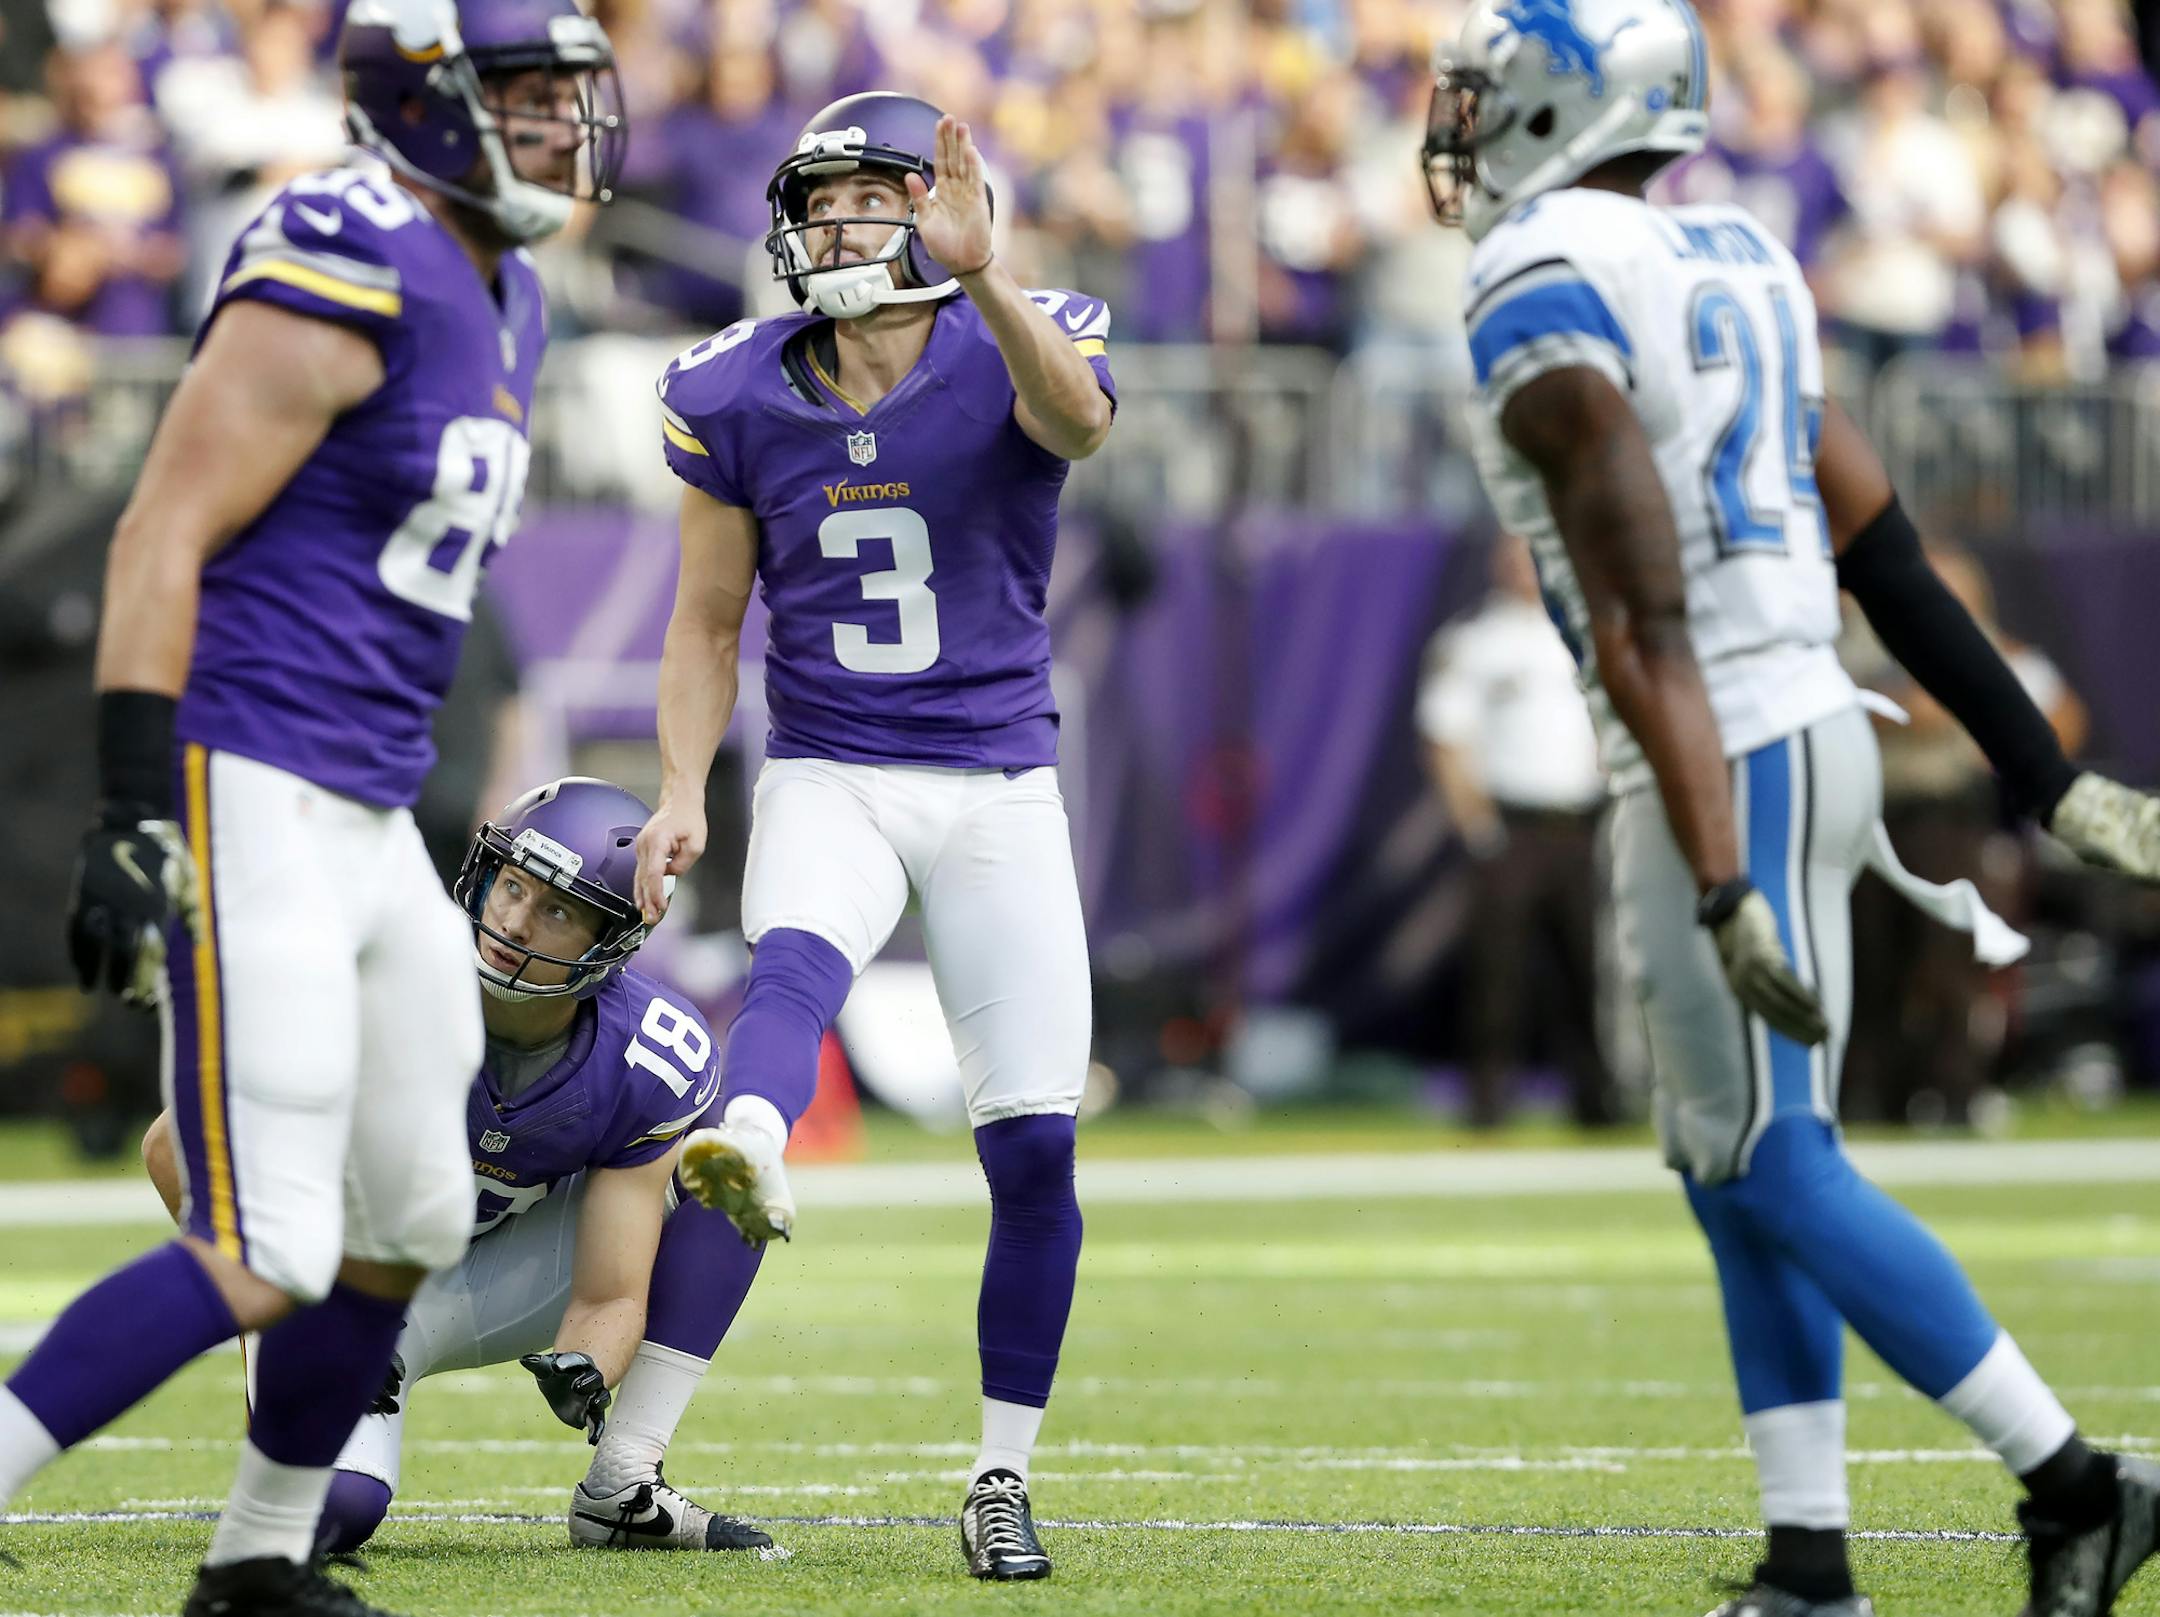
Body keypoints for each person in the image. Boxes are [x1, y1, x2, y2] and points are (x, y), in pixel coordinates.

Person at [1423, 4, 2160, 1615]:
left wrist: (1708, 866)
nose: (1462, 128)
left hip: (1723, 746)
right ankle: (1812, 1558)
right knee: (1737, 1158)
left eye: (1486, 95)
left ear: (1566, 102)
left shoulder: (1541, 273)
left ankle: (2081, 1485)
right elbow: (1882, 552)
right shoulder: (1738, 255)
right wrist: (2046, 774)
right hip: (1801, 728)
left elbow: (1640, 615)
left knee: (1773, 1161)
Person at [4, 3, 623, 1614]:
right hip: (247, 777)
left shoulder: (515, 294)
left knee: (407, 1218)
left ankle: (259, 1560)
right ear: (424, 102)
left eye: (571, 97)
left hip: (364, 802)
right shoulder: (344, 238)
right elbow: (161, 529)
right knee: (263, 1236)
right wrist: (138, 801)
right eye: (530, 97)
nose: (564, 126)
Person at [632, 92, 1113, 1582]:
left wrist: (983, 275)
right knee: (789, 972)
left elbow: (1079, 423)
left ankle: (999, 1475)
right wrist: (679, 785)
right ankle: (755, 1143)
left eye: (865, 198)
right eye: (818, 201)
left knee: (1035, 1152)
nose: (833, 226)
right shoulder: (737, 389)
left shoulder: (1021, 333)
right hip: (833, 759)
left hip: (993, 778)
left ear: (941, 206)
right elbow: (709, 618)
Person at [139, 779, 770, 1556]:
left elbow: (609, 1293)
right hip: (353, 1277)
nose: (513, 919)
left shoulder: (641, 1056)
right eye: (513, 884)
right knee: (333, 1513)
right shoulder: (374, 978)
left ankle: (623, 1486)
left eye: (558, 908)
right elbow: (175, 1149)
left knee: (729, 1175)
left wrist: (586, 1366)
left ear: (611, 938)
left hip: (502, 1267)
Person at [1418, 532, 1615, 1127]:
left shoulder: (1582, 634)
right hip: (1513, 824)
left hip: (1578, 822)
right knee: (1497, 970)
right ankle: (1487, 1098)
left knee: (1583, 964)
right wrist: (1478, 826)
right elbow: (1445, 738)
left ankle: (1595, 1100)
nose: (1523, 569)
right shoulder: (1474, 642)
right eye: (1512, 557)